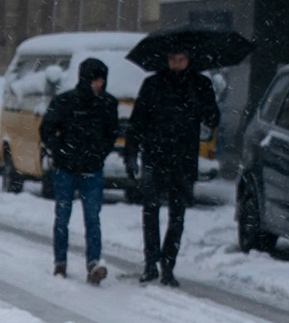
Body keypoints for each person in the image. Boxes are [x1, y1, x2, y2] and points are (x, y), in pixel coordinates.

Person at [125, 49, 220, 286]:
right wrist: (131, 152)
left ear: (189, 60)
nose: (176, 64)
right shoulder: (153, 84)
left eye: (181, 60)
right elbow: (138, 120)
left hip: (183, 158)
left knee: (178, 214)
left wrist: (203, 105)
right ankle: (150, 262)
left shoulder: (199, 85)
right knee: (151, 210)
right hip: (155, 155)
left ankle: (168, 264)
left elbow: (213, 118)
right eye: (172, 59)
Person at [39, 57, 118, 285]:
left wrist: (99, 153)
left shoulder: (107, 104)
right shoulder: (65, 102)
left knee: (92, 218)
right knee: (63, 217)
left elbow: (111, 134)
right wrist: (60, 151)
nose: (99, 84)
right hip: (66, 169)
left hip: (92, 169)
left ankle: (93, 263)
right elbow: (46, 129)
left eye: (102, 80)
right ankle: (60, 262)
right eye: (95, 80)